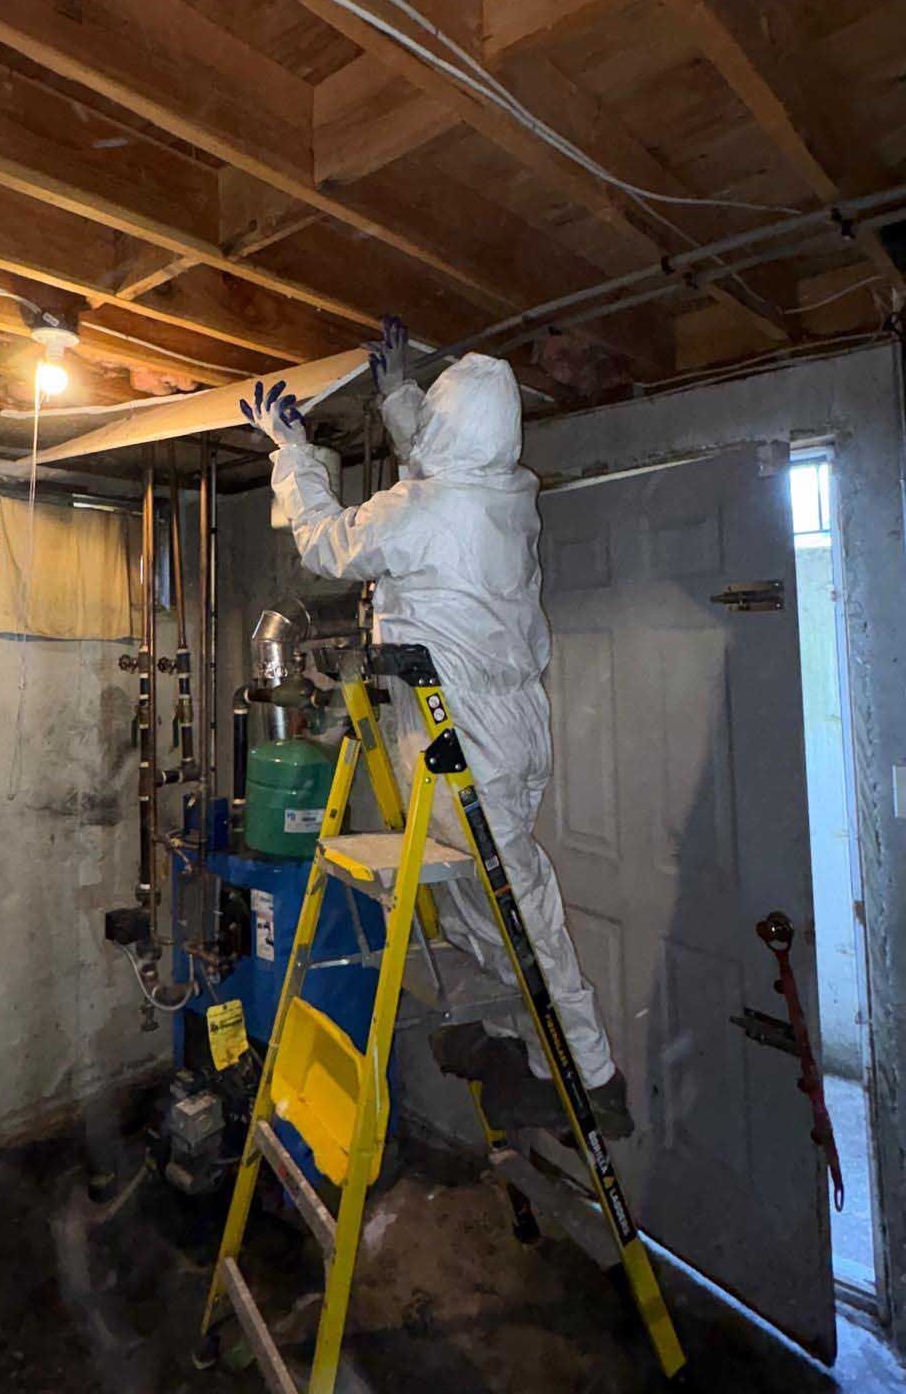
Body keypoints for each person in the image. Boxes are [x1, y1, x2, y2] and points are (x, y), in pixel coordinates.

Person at [240, 320, 632, 1136]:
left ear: (451, 432)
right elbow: (446, 455)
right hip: (503, 723)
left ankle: (592, 1078)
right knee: (475, 898)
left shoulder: (422, 510)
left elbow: (325, 542)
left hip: (463, 734)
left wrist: (289, 450)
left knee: (515, 908)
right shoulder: (505, 496)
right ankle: (510, 1043)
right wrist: (397, 397)